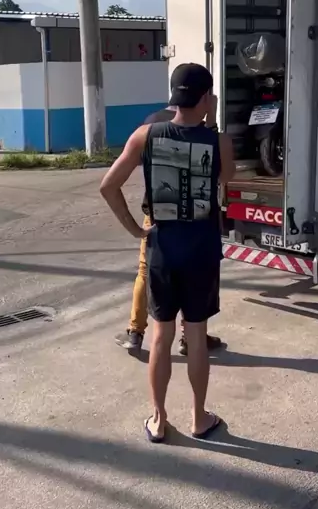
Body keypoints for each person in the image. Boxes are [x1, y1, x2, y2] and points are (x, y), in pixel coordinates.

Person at [100, 63, 235, 442]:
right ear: (206, 98)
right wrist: (211, 124)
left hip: (162, 247)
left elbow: (108, 186)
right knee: (196, 336)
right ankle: (199, 418)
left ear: (174, 96)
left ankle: (158, 420)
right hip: (202, 250)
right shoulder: (220, 142)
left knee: (161, 335)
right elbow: (225, 178)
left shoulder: (145, 135)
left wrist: (136, 230)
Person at [114, 102, 223, 358]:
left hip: (157, 213)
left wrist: (134, 228)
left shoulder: (152, 122)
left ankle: (135, 332)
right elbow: (217, 168)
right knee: (193, 273)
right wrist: (212, 117)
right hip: (195, 215)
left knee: (146, 271)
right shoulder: (199, 125)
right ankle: (191, 335)